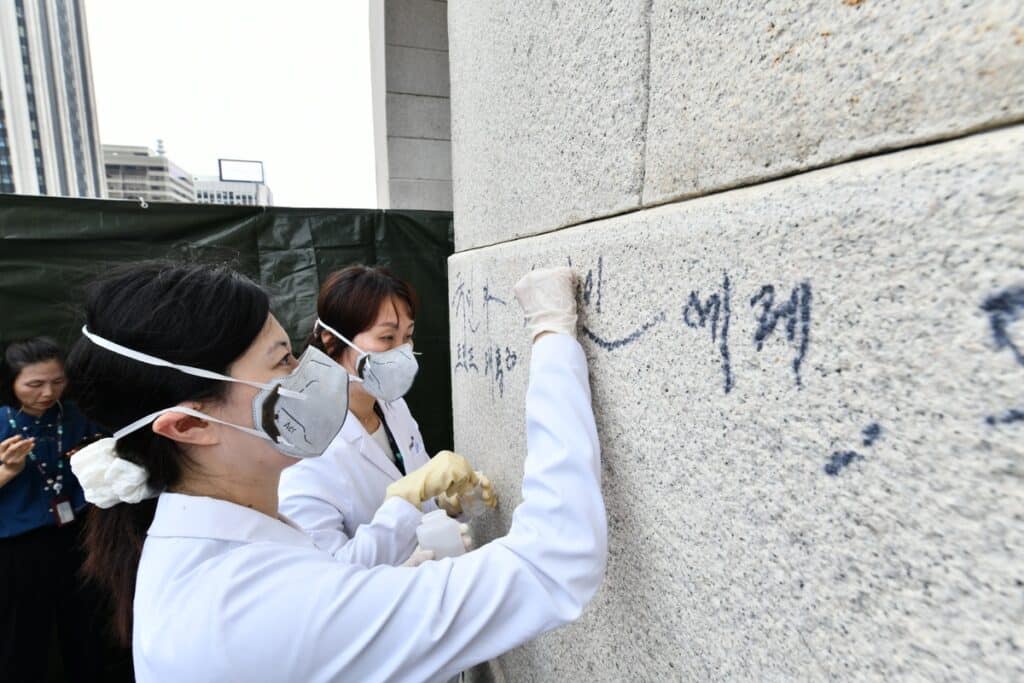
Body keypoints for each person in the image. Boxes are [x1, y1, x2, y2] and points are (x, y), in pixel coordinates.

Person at [66, 261, 606, 682]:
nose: (306, 375)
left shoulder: (224, 552)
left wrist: (401, 576)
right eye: (282, 362)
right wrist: (553, 335)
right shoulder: (258, 612)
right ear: (188, 427)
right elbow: (554, 562)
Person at [279, 266, 494, 567]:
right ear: (331, 342)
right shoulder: (303, 448)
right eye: (387, 338)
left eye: (408, 336)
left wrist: (445, 503)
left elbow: (417, 494)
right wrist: (403, 501)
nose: (403, 351)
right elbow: (325, 571)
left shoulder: (392, 405)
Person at [0, 338, 107, 682]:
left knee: (85, 628)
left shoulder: (74, 416)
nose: (48, 392)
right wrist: (6, 472)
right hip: (20, 546)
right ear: (11, 382)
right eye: (34, 384)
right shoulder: (3, 422)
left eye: (57, 381)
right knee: (23, 635)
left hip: (76, 536)